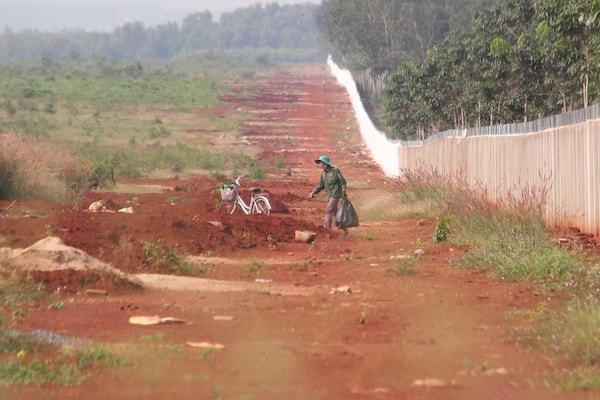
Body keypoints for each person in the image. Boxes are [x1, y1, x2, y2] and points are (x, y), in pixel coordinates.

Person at [308, 155, 347, 231]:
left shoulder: (335, 171)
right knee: (334, 213)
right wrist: (313, 192)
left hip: (335, 194)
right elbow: (320, 185)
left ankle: (327, 230)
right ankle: (344, 228)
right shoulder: (323, 174)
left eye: (321, 163)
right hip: (329, 196)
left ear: (325, 163)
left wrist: (343, 190)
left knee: (328, 211)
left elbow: (342, 182)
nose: (320, 165)